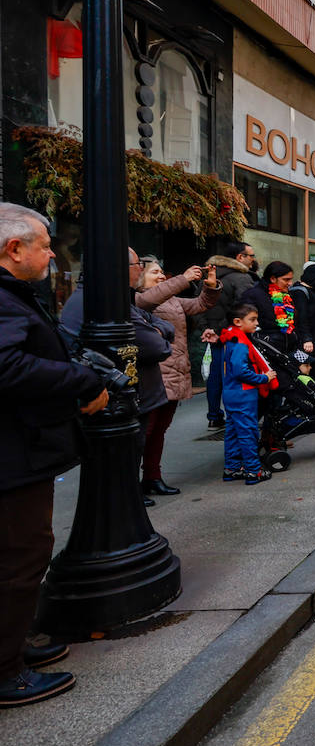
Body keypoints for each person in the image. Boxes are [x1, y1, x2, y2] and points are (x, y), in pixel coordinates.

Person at [0, 203, 107, 708]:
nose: (51, 254)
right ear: (13, 249)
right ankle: (6, 671)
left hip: (22, 451)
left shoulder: (15, 295)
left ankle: (14, 644)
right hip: (13, 454)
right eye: (44, 245)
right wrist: (83, 381)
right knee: (21, 559)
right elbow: (11, 367)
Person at [61, 248, 174, 508]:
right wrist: (158, 334)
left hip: (135, 393)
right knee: (121, 460)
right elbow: (156, 346)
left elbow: (161, 330)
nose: (141, 269)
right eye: (139, 264)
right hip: (118, 397)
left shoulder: (120, 300)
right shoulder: (103, 301)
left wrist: (158, 331)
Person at [135, 258, 221, 495]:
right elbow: (150, 299)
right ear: (140, 277)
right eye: (155, 273)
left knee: (159, 430)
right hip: (154, 373)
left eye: (163, 272)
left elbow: (200, 304)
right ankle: (131, 485)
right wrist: (182, 279)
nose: (162, 276)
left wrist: (210, 285)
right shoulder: (137, 299)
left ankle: (152, 477)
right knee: (146, 431)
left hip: (175, 371)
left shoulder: (172, 300)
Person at [201, 242, 259, 430]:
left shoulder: (211, 276)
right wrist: (223, 330)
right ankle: (234, 416)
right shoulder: (241, 278)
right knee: (235, 375)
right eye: (251, 255)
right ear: (240, 257)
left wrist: (207, 328)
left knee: (215, 375)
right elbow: (244, 308)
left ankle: (213, 415)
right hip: (233, 335)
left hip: (212, 334)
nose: (253, 259)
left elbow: (197, 304)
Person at [220, 303, 278, 484]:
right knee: (248, 432)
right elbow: (241, 371)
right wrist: (264, 378)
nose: (256, 323)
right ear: (238, 322)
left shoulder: (231, 338)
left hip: (231, 392)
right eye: (252, 319)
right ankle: (254, 470)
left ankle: (232, 468)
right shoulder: (241, 344)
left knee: (233, 432)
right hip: (243, 394)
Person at [240, 261, 298, 357]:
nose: (290, 283)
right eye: (286, 280)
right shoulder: (253, 295)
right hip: (265, 349)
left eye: (291, 280)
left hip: (287, 349)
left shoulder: (286, 295)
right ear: (272, 279)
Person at [290, 262, 315, 384]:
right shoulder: (300, 292)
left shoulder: (310, 291)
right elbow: (301, 317)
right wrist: (306, 339)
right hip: (306, 342)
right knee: (306, 373)